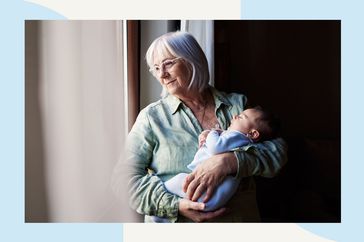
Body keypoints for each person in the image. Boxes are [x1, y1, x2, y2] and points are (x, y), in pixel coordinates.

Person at [111, 31, 287, 222]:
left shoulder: (237, 106)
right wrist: (175, 205)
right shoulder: (151, 118)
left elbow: (278, 151)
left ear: (192, 61)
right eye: (156, 68)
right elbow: (123, 180)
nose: (162, 74)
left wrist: (230, 161)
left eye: (168, 63)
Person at [150, 107, 281, 222]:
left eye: (241, 117)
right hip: (214, 198)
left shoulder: (237, 136)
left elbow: (215, 147)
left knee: (175, 182)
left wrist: (212, 132)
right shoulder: (240, 139)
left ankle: (160, 216)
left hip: (208, 195)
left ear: (253, 133)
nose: (235, 116)